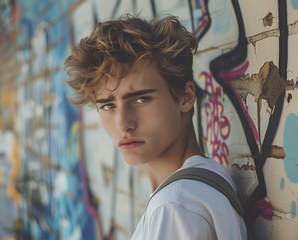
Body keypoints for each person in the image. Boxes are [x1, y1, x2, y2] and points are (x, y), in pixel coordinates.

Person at [64, 14, 247, 240]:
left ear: (186, 97)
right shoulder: (207, 178)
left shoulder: (175, 205)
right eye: (108, 105)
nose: (123, 123)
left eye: (141, 99)